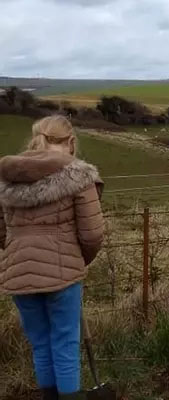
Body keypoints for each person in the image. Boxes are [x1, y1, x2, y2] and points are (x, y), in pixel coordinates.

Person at [0, 115, 104, 400]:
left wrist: (17, 253)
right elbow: (92, 234)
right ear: (71, 142)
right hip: (63, 276)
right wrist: (77, 261)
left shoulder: (7, 176)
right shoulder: (79, 176)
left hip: (18, 274)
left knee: (41, 343)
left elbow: (1, 231)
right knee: (65, 343)